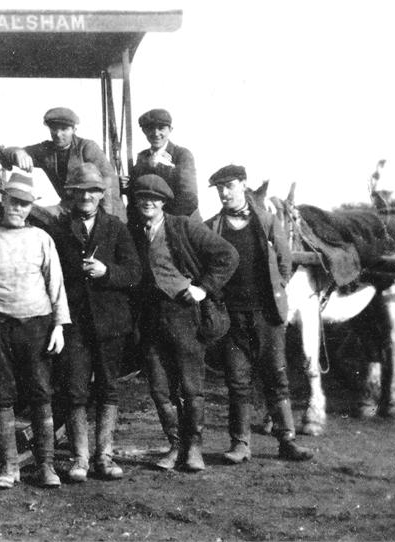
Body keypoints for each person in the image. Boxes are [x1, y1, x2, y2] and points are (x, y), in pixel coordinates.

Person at [204, 164, 314, 464]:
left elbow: (284, 262)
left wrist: (274, 291)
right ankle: (240, 445)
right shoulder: (212, 226)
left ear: (243, 185)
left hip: (266, 315)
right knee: (237, 382)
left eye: (230, 186)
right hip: (231, 319)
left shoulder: (265, 221)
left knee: (276, 377)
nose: (225, 193)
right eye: (220, 189)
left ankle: (287, 441)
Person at [0, 173, 71, 489]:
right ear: (3, 201)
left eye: (25, 203)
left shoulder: (41, 238)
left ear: (30, 207)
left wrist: (59, 326)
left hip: (36, 327)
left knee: (41, 394)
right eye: (13, 201)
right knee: (1, 396)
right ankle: (9, 468)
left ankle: (46, 467)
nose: (18, 208)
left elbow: (56, 285)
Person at [130, 174, 238, 472]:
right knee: (160, 386)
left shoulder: (182, 226)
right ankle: (174, 444)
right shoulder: (134, 231)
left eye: (154, 198)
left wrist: (203, 287)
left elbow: (227, 254)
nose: (148, 202)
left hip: (184, 313)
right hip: (151, 316)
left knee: (191, 386)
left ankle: (193, 449)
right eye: (142, 197)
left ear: (164, 202)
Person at [50, 163, 142, 483]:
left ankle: (104, 455)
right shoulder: (59, 231)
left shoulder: (116, 228)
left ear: (102, 195)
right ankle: (79, 458)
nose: (86, 196)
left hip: (110, 324)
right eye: (80, 191)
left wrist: (107, 272)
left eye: (93, 191)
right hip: (74, 324)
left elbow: (134, 273)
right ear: (71, 195)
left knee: (107, 388)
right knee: (75, 390)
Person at [4, 106, 126, 222]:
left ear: (74, 130)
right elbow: (6, 154)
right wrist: (17, 152)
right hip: (70, 208)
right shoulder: (46, 150)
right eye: (54, 128)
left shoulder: (87, 148)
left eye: (64, 129)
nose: (58, 134)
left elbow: (109, 184)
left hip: (99, 208)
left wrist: (106, 219)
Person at [130, 108, 198, 219]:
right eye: (150, 128)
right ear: (144, 131)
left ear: (170, 129)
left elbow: (189, 199)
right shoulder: (142, 157)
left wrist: (164, 221)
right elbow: (136, 196)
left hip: (179, 220)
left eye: (161, 128)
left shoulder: (182, 155)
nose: (156, 133)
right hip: (149, 222)